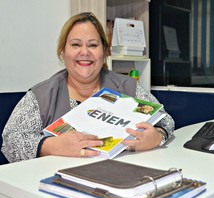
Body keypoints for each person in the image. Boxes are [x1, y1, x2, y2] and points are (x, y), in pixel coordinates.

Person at [1, 12, 175, 163]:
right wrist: (51, 145)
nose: (84, 52)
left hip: (117, 180)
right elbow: (10, 141)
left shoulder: (127, 87)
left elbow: (165, 120)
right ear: (63, 52)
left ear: (105, 52)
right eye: (76, 44)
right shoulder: (42, 95)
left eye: (93, 45)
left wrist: (157, 136)